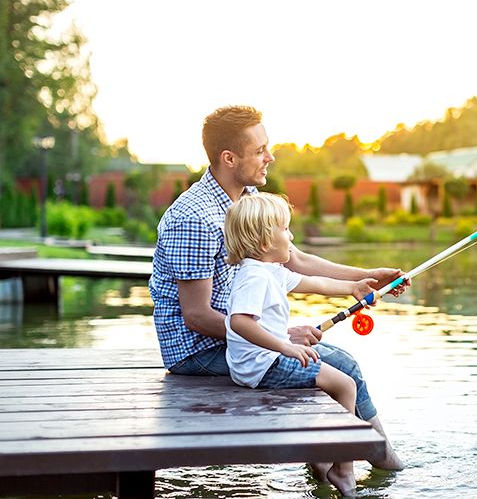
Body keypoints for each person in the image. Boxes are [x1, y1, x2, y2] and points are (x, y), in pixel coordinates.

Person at [148, 105, 404, 472]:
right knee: (342, 364)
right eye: (260, 150)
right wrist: (280, 335)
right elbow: (197, 316)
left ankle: (335, 461)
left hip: (241, 335)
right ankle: (383, 461)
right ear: (229, 158)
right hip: (197, 351)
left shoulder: (247, 197)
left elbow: (294, 260)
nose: (271, 157)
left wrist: (362, 277)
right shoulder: (194, 218)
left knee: (332, 362)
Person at [224, 192, 379, 495]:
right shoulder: (254, 276)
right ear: (266, 243)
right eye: (285, 229)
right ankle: (344, 470)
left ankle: (322, 461)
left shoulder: (271, 271)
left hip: (266, 360)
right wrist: (286, 346)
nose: (291, 235)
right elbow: (239, 322)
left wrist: (353, 288)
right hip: (263, 365)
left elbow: (317, 284)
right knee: (345, 385)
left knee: (337, 382)